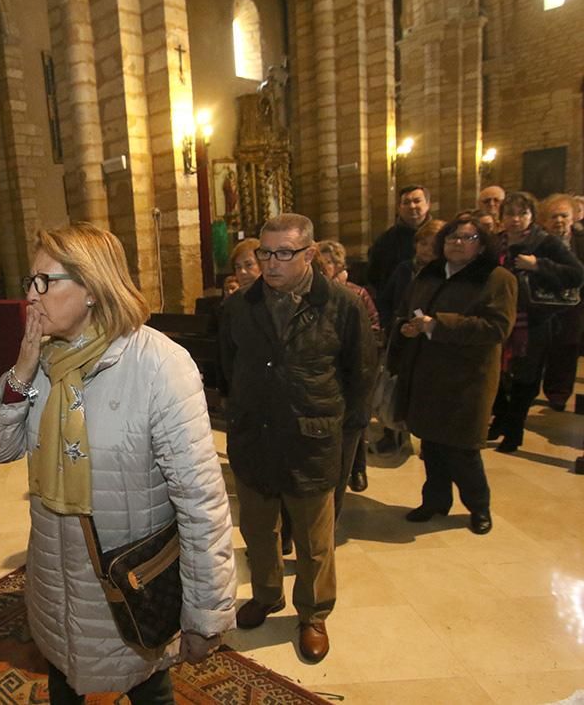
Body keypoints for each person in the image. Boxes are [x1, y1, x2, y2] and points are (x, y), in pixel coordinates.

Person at [0, 222, 237, 702]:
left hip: (129, 588)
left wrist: (207, 612)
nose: (31, 297)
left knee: (148, 685)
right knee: (64, 680)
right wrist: (20, 369)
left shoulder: (160, 366)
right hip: (56, 582)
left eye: (45, 282)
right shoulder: (44, 360)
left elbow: (201, 503)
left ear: (93, 288)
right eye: (28, 282)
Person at [220, 214, 376, 663]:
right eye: (264, 253)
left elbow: (360, 374)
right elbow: (230, 369)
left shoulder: (343, 306)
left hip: (313, 436)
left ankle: (313, 612)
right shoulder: (239, 306)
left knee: (312, 539)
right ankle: (267, 594)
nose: (270, 263)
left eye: (283, 253)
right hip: (255, 436)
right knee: (258, 528)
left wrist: (342, 431)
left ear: (309, 254)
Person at [390, 214, 517, 535]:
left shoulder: (497, 278)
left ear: (481, 245)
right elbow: (409, 309)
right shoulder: (429, 274)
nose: (457, 243)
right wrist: (408, 327)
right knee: (431, 446)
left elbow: (497, 327)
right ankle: (435, 501)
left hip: (467, 378)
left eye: (467, 238)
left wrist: (438, 324)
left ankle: (478, 507)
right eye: (451, 238)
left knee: (462, 449)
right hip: (427, 374)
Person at [489, 192, 584, 450]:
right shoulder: (497, 243)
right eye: (510, 213)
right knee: (496, 372)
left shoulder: (545, 242)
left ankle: (514, 430)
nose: (516, 219)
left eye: (522, 213)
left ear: (531, 216)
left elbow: (576, 274)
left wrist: (538, 266)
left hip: (533, 320)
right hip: (501, 314)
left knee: (525, 377)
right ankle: (502, 418)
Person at [316, 240, 379, 500]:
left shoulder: (354, 297)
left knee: (349, 438)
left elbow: (371, 331)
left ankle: (358, 469)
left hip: (347, 381)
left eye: (332, 262)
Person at [539, 194, 584, 411]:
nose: (559, 221)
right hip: (543, 303)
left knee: (566, 348)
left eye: (563, 216)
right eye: (553, 216)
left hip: (574, 304)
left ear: (573, 217)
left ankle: (558, 393)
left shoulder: (580, 242)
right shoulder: (538, 243)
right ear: (544, 221)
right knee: (539, 348)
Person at [367, 185, 433, 297]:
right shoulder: (385, 241)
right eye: (406, 202)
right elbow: (374, 278)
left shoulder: (442, 235)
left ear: (428, 205)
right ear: (399, 208)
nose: (412, 206)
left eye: (417, 201)